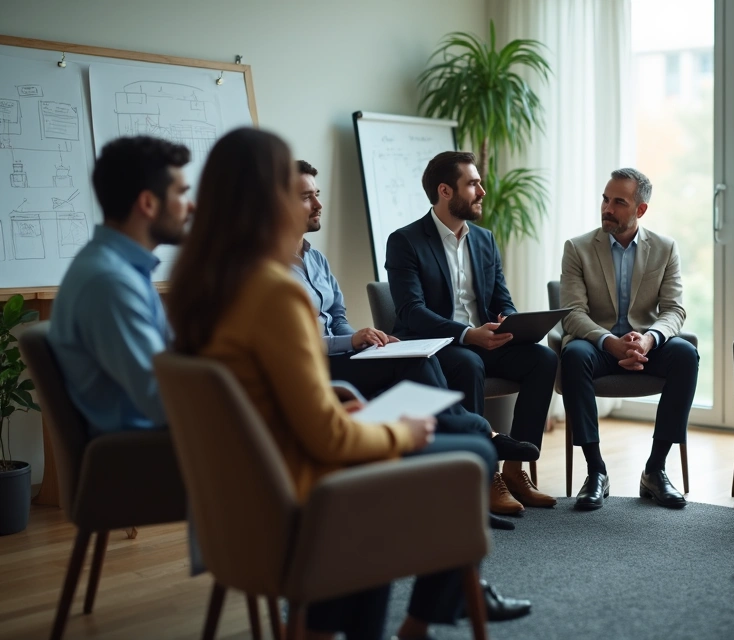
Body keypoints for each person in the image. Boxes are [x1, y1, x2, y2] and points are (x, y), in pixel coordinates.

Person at [166, 128, 531, 640]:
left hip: (242, 492)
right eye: (297, 192)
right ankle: (422, 620)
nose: (312, 202)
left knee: (464, 434)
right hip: (300, 485)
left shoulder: (198, 288)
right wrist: (403, 432)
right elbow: (327, 440)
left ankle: (401, 621)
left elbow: (271, 398)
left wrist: (341, 407)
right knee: (470, 447)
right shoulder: (274, 293)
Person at [291, 160, 537, 467]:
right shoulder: (272, 273)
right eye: (306, 197)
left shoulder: (316, 259)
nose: (318, 203)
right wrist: (350, 342)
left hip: (343, 356)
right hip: (314, 365)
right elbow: (294, 347)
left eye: (317, 193)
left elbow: (337, 316)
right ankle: (481, 438)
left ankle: (490, 457)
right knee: (418, 360)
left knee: (538, 358)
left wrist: (361, 342)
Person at [384, 151, 558, 516]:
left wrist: (508, 323)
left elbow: (502, 299)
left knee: (543, 359)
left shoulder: (484, 239)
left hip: (486, 339)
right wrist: (468, 334)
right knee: (468, 363)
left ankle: (514, 471)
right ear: (445, 191)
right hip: (438, 345)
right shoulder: (405, 241)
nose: (482, 190)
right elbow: (411, 312)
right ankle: (485, 475)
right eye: (473, 183)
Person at [559, 168, 700, 510]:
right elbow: (572, 313)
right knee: (573, 355)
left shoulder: (665, 248)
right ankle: (596, 471)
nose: (607, 207)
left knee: (686, 355)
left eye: (618, 202)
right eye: (605, 199)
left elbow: (674, 310)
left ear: (640, 210)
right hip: (598, 344)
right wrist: (610, 341)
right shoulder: (577, 248)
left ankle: (655, 469)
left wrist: (650, 339)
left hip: (645, 344)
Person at [48, 136, 192, 437]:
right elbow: (164, 401)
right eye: (181, 193)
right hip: (148, 456)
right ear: (149, 203)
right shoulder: (110, 282)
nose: (190, 206)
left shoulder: (119, 269)